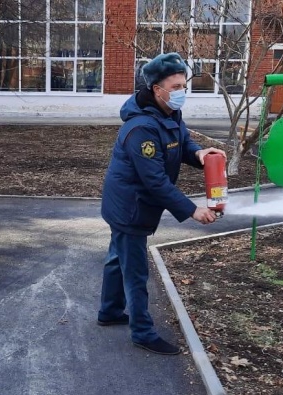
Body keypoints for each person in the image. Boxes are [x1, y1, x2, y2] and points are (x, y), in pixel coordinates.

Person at [98, 52, 226, 355]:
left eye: (184, 85)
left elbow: (181, 141)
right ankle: (142, 332)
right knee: (135, 271)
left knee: (118, 258)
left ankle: (109, 311)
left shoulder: (168, 113)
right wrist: (192, 209)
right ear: (158, 89)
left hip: (130, 203)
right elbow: (154, 181)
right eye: (177, 86)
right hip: (130, 207)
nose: (183, 92)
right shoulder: (141, 127)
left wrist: (198, 155)